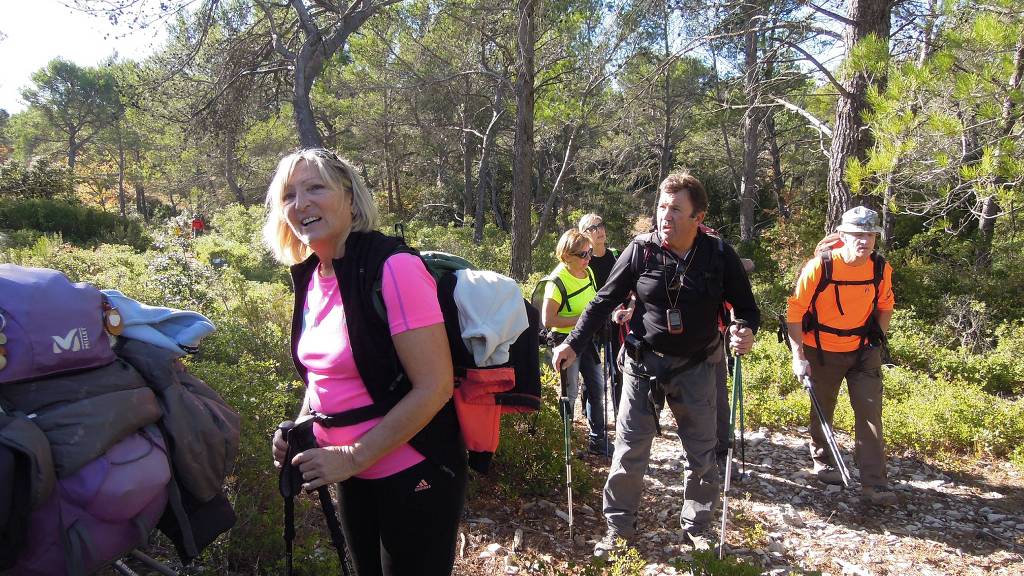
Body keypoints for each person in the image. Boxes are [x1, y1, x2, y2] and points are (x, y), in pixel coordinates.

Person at [265, 148, 466, 575]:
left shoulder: (394, 268)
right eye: (288, 194)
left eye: (315, 187)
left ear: (350, 199)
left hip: (413, 472)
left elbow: (435, 386)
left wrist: (353, 456)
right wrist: (301, 428)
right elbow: (324, 378)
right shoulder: (313, 277)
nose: (300, 204)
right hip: (350, 474)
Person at [552, 171, 759, 555]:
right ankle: (618, 530)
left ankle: (697, 530)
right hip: (642, 364)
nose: (666, 216)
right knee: (629, 450)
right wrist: (572, 344)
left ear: (698, 216)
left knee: (701, 452)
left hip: (698, 366)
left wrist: (744, 330)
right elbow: (603, 301)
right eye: (662, 207)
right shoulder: (641, 250)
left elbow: (746, 309)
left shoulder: (718, 255)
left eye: (676, 209)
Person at [786, 205, 898, 507]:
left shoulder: (879, 268)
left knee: (870, 413)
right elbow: (795, 312)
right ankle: (823, 458)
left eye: (870, 235)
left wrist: (877, 341)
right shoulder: (820, 267)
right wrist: (799, 356)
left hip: (863, 352)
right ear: (842, 236)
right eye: (857, 235)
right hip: (821, 350)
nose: (864, 241)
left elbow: (886, 304)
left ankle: (875, 484)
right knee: (823, 407)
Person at [542, 229, 609, 456]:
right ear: (566, 255)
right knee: (569, 393)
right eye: (583, 254)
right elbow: (548, 320)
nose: (588, 259)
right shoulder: (557, 281)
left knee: (596, 388)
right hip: (565, 341)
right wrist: (581, 320)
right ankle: (565, 445)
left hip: (587, 339)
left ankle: (597, 441)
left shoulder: (588, 272)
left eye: (589, 253)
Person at [578, 213, 626, 419]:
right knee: (592, 374)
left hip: (615, 322)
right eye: (593, 228)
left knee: (617, 369)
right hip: (591, 323)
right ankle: (591, 417)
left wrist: (628, 306)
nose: (599, 231)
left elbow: (631, 287)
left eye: (601, 225)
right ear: (584, 234)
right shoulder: (582, 261)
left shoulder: (617, 255)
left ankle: (620, 415)